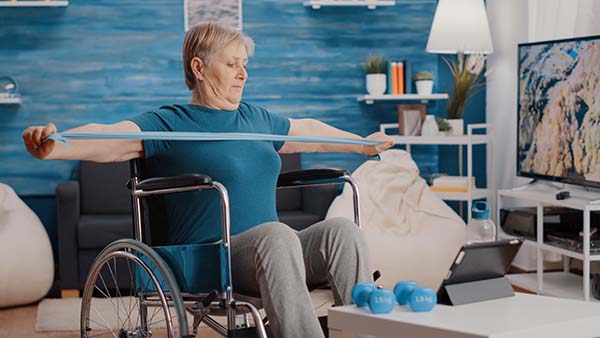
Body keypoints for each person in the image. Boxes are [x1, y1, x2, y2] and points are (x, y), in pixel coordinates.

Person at [23, 22, 394, 338]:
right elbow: (108, 138)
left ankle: (365, 332)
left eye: (245, 64)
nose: (243, 73)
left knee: (341, 231)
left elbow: (309, 130)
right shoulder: (171, 122)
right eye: (232, 63)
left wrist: (362, 145)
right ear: (199, 68)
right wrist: (55, 146)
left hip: (275, 252)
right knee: (277, 235)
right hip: (210, 258)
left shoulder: (256, 120)